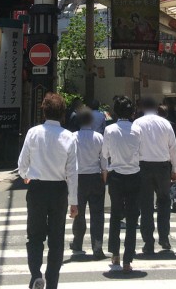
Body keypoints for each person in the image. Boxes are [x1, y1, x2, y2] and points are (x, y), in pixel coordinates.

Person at [18, 93, 78, 289]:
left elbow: (22, 163)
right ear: (63, 114)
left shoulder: (33, 133)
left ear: (43, 111)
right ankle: (52, 281)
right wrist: (74, 201)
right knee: (56, 237)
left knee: (34, 235)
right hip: (59, 190)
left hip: (36, 188)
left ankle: (36, 273)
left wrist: (25, 174)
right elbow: (72, 172)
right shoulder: (69, 137)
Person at [132, 96, 176, 253]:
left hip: (143, 166)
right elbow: (173, 148)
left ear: (143, 108)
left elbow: (134, 147)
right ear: (157, 107)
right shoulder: (165, 123)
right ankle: (164, 237)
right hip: (163, 167)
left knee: (145, 205)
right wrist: (175, 169)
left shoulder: (137, 123)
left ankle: (148, 242)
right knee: (164, 202)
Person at [101, 95, 141, 273]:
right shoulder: (137, 129)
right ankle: (128, 260)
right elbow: (142, 152)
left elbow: (105, 154)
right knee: (132, 218)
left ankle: (115, 254)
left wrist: (105, 171)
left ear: (116, 111)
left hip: (115, 175)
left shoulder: (110, 130)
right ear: (131, 111)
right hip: (134, 175)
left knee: (116, 215)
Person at [70, 108, 107, 259]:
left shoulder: (72, 137)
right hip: (95, 176)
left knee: (79, 212)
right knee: (97, 214)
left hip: (78, 178)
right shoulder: (99, 137)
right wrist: (103, 175)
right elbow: (104, 159)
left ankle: (78, 242)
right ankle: (97, 246)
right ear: (91, 121)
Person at [158, 104, 176, 212]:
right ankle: (175, 200)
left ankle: (159, 201)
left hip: (160, 156)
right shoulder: (172, 125)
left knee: (160, 181)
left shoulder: (156, 126)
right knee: (174, 180)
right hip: (171, 154)